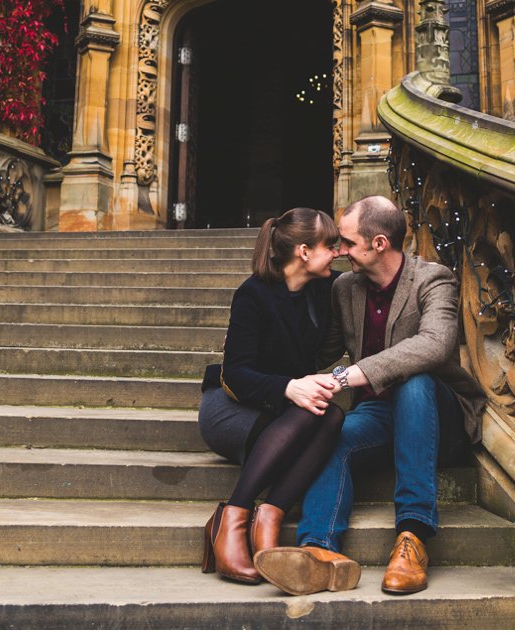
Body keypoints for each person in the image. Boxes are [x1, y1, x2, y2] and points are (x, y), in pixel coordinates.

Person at [253, 194, 486, 597]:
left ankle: (412, 538)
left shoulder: (433, 279)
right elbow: (318, 352)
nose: (339, 251)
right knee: (334, 431)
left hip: (438, 417)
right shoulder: (346, 288)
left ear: (379, 244)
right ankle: (319, 552)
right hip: (380, 413)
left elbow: (435, 345)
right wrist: (256, 344)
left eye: (346, 242)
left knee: (416, 381)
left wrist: (351, 375)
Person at [198, 207, 346, 584]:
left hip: (287, 412)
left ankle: (272, 514)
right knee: (312, 411)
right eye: (331, 245)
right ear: (303, 251)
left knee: (332, 415)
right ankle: (232, 517)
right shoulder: (254, 294)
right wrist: (289, 387)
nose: (339, 252)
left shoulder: (325, 289)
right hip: (232, 408)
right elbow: (236, 372)